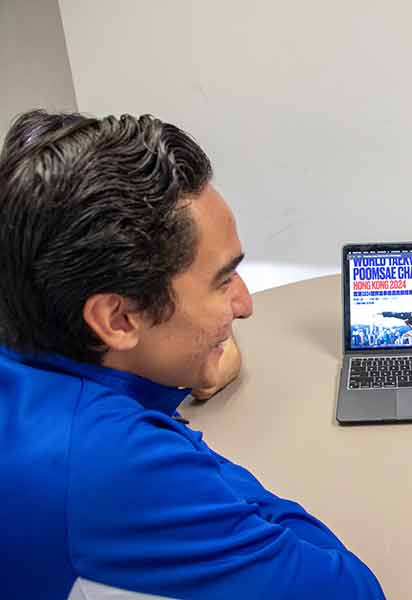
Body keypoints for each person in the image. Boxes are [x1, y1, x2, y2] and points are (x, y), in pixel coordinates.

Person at [0, 110, 384, 599]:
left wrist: (184, 367)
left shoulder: (29, 343)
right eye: (223, 280)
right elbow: (351, 591)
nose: (244, 305)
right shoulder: (110, 465)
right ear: (118, 320)